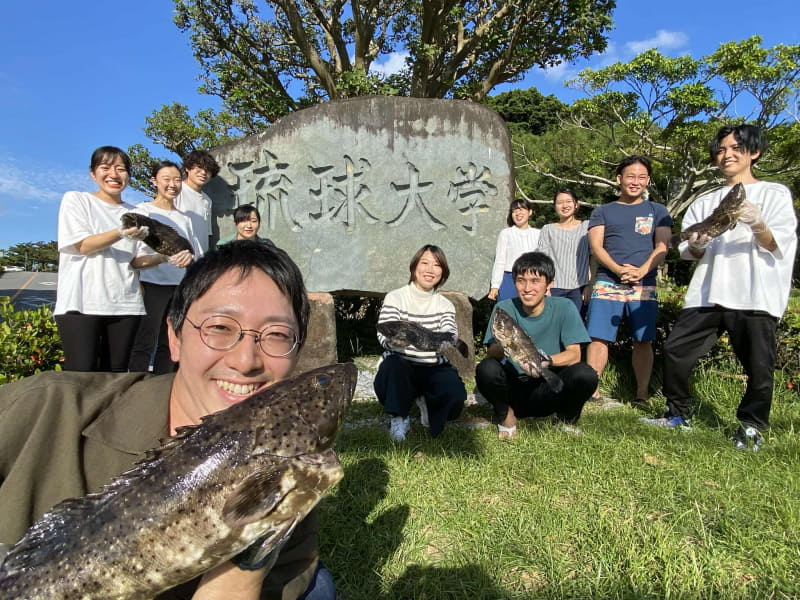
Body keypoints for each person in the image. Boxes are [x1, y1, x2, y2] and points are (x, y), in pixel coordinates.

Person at [0, 241, 336, 599]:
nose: (245, 360)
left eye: (277, 335)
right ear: (174, 338)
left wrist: (244, 560)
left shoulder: (287, 465)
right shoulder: (44, 406)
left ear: (297, 353)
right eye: (220, 327)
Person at [641, 124, 798, 450]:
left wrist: (756, 222)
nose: (727, 155)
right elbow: (691, 252)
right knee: (675, 352)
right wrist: (698, 243)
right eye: (721, 149)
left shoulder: (774, 193)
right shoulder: (706, 200)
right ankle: (678, 414)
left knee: (759, 366)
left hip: (756, 293)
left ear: (754, 152)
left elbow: (777, 244)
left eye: (735, 148)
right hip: (708, 290)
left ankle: (751, 427)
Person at [53, 146, 167, 372]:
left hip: (125, 304)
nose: (114, 175)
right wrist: (120, 232)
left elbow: (137, 261)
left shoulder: (138, 214)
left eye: (121, 169)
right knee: (80, 374)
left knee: (114, 377)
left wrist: (165, 256)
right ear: (93, 174)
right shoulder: (77, 200)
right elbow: (82, 245)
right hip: (81, 302)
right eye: (105, 168)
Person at [476, 252, 597, 438]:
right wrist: (504, 345)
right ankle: (506, 416)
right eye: (520, 281)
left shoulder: (564, 307)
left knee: (585, 374)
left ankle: (566, 419)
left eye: (535, 281)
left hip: (549, 386)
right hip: (515, 387)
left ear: (549, 284)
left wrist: (545, 361)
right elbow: (491, 353)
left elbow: (574, 354)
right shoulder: (504, 309)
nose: (527, 288)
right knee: (486, 368)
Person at [585, 156, 672, 403]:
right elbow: (596, 247)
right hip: (608, 280)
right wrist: (617, 269)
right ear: (619, 179)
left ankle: (642, 393)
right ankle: (592, 390)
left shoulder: (658, 210)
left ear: (648, 181)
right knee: (598, 336)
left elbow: (663, 246)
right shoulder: (602, 211)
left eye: (641, 177)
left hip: (644, 283)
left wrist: (642, 270)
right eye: (630, 176)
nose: (635, 182)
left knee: (643, 339)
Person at [374, 245, 466, 441]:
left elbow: (450, 333)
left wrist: (449, 343)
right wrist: (395, 343)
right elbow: (383, 334)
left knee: (456, 400)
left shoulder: (445, 304)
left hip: (433, 366)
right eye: (424, 263)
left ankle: (425, 403)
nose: (430, 270)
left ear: (443, 273)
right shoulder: (396, 297)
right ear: (414, 266)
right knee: (395, 365)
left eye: (437, 265)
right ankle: (399, 417)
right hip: (400, 367)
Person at [128, 160, 199, 374]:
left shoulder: (185, 219)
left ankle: (162, 387)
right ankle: (135, 388)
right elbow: (134, 260)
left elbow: (192, 253)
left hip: (178, 288)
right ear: (154, 181)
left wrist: (189, 260)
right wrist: (162, 258)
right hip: (152, 286)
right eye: (166, 179)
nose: (172, 184)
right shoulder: (142, 212)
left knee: (170, 344)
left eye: (177, 180)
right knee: (143, 342)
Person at [537, 189, 591, 315]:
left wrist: (590, 284)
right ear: (555, 206)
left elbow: (593, 257)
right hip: (554, 287)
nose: (565, 205)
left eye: (568, 201)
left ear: (576, 204)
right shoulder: (548, 229)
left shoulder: (587, 227)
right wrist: (544, 285)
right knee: (553, 326)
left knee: (576, 327)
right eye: (560, 202)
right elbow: (543, 260)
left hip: (580, 287)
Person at [488, 198, 540, 302]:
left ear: (529, 212)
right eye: (514, 211)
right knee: (506, 313)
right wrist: (495, 286)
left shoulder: (538, 234)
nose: (518, 213)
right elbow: (500, 260)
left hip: (533, 278)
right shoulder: (506, 233)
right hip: (510, 278)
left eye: (521, 209)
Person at [175, 150, 220, 253]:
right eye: (199, 167)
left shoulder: (207, 201)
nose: (203, 173)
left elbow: (206, 233)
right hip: (179, 258)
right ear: (187, 168)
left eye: (208, 170)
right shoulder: (177, 191)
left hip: (199, 260)